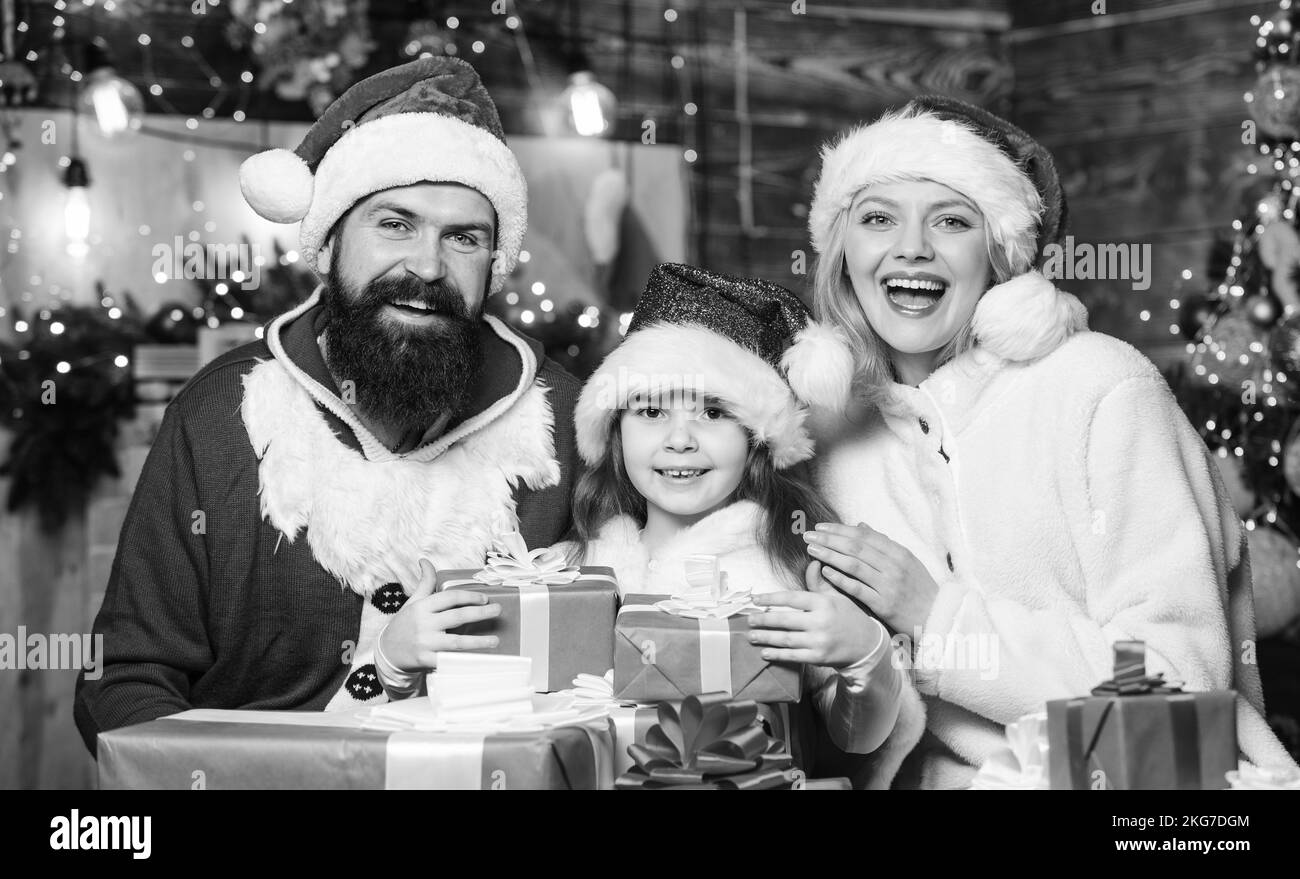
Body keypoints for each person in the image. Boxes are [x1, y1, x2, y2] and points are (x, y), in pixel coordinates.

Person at [74, 57, 581, 754]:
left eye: (464, 237)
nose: (428, 268)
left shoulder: (563, 421)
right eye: (395, 224)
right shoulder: (222, 413)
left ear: (494, 261)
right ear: (331, 239)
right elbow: (122, 683)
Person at [802, 94, 1298, 788]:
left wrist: (937, 620)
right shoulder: (827, 439)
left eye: (951, 220)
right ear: (842, 251)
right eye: (878, 217)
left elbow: (1177, 680)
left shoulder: (1103, 390)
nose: (911, 246)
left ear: (1001, 255)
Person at [561, 262, 926, 788]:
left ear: (757, 439)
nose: (680, 439)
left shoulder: (786, 575)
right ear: (615, 430)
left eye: (712, 413)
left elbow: (858, 741)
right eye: (650, 412)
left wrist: (864, 653)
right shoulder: (578, 571)